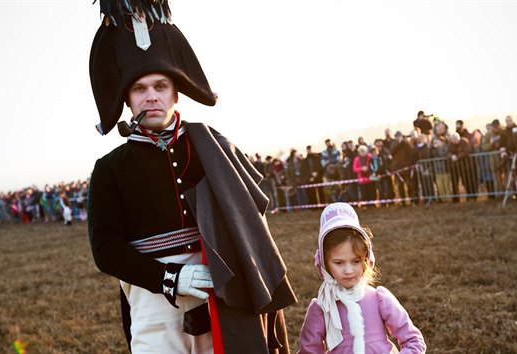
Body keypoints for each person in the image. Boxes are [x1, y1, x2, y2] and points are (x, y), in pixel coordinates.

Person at [86, 3, 295, 353]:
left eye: (160, 85)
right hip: (152, 298)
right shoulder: (109, 167)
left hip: (219, 285)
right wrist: (170, 277)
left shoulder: (211, 146)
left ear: (175, 91)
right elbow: (106, 251)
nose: (151, 95)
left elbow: (250, 217)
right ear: (127, 97)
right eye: (139, 88)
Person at [297, 203, 426, 354]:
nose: (348, 270)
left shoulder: (379, 298)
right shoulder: (321, 307)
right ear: (323, 263)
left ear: (367, 259)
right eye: (339, 263)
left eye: (356, 261)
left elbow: (413, 341)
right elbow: (309, 351)